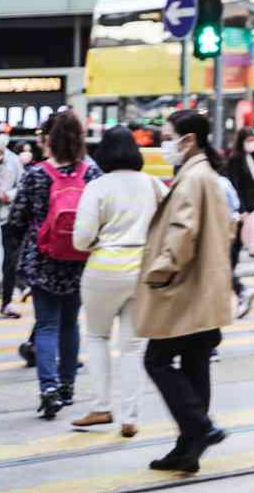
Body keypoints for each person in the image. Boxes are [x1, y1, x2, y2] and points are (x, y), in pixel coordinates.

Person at [137, 110, 233, 473]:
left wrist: (161, 270)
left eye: (167, 135)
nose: (164, 143)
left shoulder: (193, 177)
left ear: (187, 139)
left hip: (184, 287)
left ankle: (200, 427)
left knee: (156, 359)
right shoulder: (208, 174)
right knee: (195, 364)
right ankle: (188, 448)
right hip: (204, 289)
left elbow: (183, 230)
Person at [70, 126, 167, 438]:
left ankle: (101, 407)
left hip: (104, 269)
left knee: (97, 337)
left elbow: (81, 240)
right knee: (132, 347)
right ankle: (130, 416)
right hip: (143, 271)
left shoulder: (97, 187)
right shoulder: (154, 185)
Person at [9, 111, 101, 419]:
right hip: (79, 258)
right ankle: (67, 386)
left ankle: (48, 388)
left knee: (46, 325)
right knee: (70, 323)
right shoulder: (91, 172)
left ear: (49, 139)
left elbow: (18, 219)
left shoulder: (35, 173)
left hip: (43, 258)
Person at [225, 127, 254, 318]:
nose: (252, 142)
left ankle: (235, 286)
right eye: (248, 139)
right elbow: (234, 185)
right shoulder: (235, 159)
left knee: (236, 251)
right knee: (232, 251)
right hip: (242, 213)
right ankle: (235, 286)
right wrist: (241, 210)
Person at [0, 134, 23, 319]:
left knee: (9, 262)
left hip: (7, 218)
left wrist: (9, 195)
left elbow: (22, 185)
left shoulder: (14, 161)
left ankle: (7, 303)